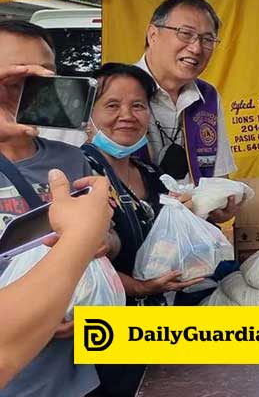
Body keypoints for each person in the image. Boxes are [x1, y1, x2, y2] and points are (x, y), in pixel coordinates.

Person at [81, 64, 206, 397]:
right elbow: (77, 263)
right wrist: (137, 287)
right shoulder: (81, 171)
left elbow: (167, 239)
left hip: (155, 327)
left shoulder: (148, 171)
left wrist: (200, 211)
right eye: (112, 105)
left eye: (138, 106)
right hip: (105, 338)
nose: (127, 115)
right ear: (88, 114)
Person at [0, 21, 109, 397]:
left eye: (41, 82)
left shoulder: (72, 159)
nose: (26, 94)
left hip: (72, 376)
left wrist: (97, 243)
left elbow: (102, 247)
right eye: (13, 80)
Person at [0, 171, 113, 392]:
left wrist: (94, 238)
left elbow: (110, 241)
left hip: (74, 370)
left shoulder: (71, 159)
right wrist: (80, 237)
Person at [137, 0, 239, 215]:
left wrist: (219, 206)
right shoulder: (118, 89)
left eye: (207, 39)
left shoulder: (208, 97)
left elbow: (219, 179)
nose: (196, 48)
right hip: (136, 236)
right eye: (185, 34)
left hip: (196, 233)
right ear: (153, 34)